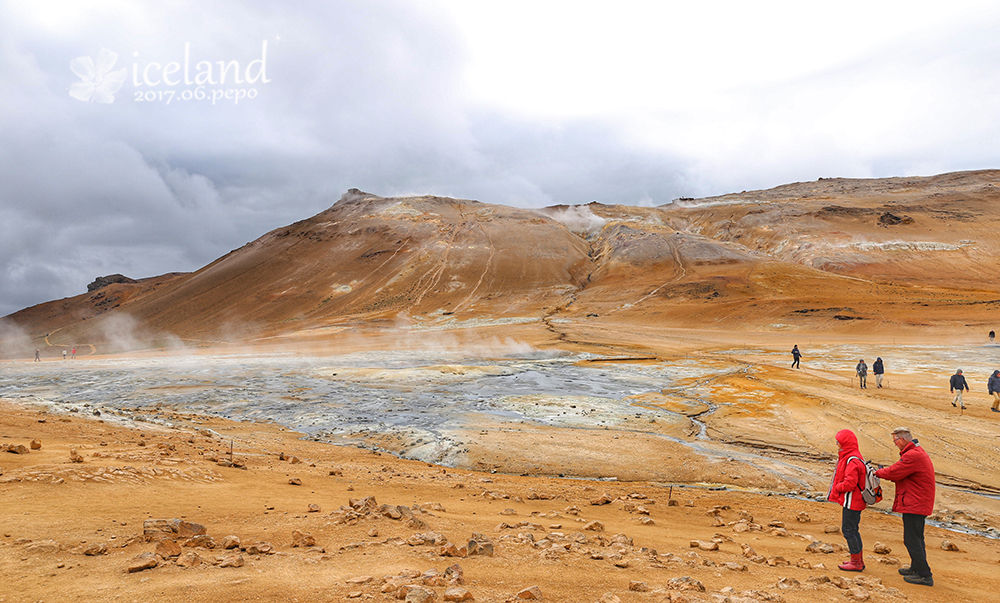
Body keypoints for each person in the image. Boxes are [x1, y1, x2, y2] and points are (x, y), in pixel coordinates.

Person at [875, 427, 935, 586]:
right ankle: (916, 568)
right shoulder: (915, 452)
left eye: (895, 441)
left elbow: (895, 472)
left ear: (902, 439)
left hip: (915, 503)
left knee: (912, 540)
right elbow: (899, 472)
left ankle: (924, 574)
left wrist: (877, 473)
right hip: (916, 501)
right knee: (916, 538)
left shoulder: (913, 455)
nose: (894, 444)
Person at [828, 429, 868, 571]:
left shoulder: (852, 460)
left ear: (845, 443)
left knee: (849, 530)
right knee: (852, 530)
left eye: (838, 442)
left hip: (853, 501)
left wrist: (837, 487)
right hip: (854, 501)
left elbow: (850, 483)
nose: (837, 444)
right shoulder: (853, 456)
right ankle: (857, 560)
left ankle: (856, 562)